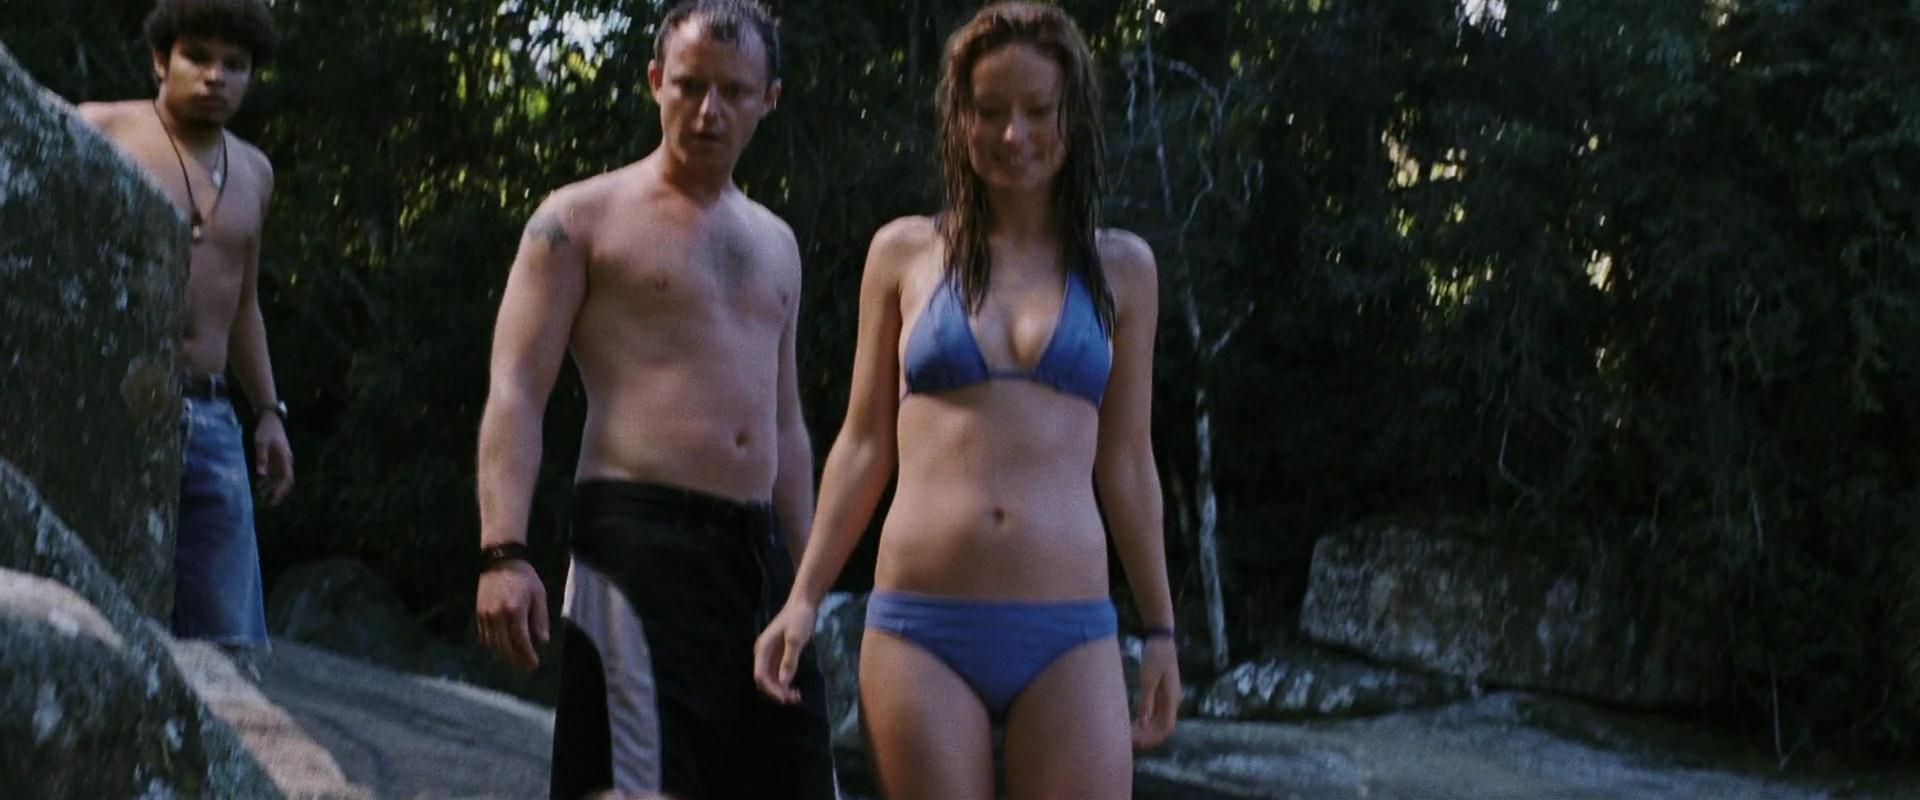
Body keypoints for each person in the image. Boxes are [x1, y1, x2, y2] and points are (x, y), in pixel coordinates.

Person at [753, 2, 1181, 797]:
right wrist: (803, 597)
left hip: (1071, 631)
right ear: (959, 119)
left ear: (1073, 117)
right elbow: (863, 444)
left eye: (1037, 111)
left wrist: (1160, 631)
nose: (1014, 134)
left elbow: (1127, 462)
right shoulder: (903, 253)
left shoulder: (1124, 270)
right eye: (989, 111)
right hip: (922, 629)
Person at [471, 2, 835, 798]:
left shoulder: (776, 241)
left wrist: (808, 585)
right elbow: (517, 390)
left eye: (734, 92)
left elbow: (785, 425)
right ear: (655, 82)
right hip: (639, 541)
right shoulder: (579, 218)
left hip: (760, 556)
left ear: (769, 99)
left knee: (794, 776)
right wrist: (504, 552)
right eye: (690, 86)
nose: (709, 112)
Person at [76, 0, 293, 649]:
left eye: (235, 64)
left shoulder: (254, 171)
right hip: (109, 404)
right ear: (160, 60)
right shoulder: (98, 129)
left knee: (227, 643)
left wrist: (269, 411)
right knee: (97, 619)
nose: (215, 75)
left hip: (211, 418)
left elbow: (244, 303)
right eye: (197, 56)